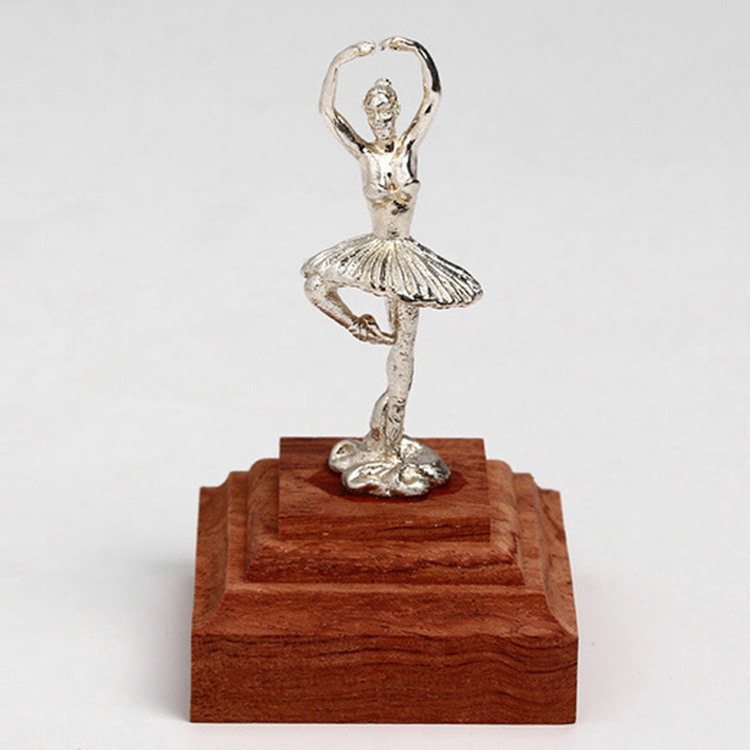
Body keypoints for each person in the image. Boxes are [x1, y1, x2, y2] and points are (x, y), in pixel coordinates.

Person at [302, 37, 482, 497]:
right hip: (374, 249)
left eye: (387, 108)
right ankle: (361, 328)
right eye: (374, 109)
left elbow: (432, 98)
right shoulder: (365, 154)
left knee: (404, 347)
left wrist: (417, 53)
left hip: (404, 256)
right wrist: (341, 61)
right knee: (316, 283)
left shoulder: (407, 147)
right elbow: (327, 113)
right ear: (367, 114)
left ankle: (391, 437)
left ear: (396, 111)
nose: (381, 116)